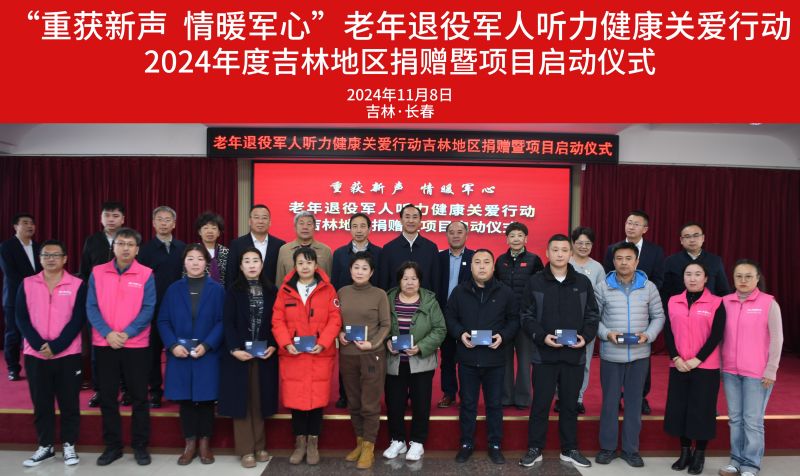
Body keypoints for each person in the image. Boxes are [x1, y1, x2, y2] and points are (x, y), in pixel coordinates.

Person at [519, 235, 599, 469]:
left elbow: (592, 315)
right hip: (544, 355)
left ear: (570, 253)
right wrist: (542, 336)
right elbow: (526, 316)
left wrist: (585, 337)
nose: (560, 254)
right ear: (547, 253)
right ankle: (535, 448)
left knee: (570, 405)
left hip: (574, 355)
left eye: (565, 250)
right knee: (540, 404)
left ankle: (570, 449)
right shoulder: (535, 282)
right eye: (555, 249)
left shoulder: (583, 282)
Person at [86, 228, 156, 466]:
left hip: (135, 344)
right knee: (107, 396)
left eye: (130, 244)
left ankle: (140, 444)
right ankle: (113, 445)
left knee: (139, 397)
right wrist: (108, 333)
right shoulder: (98, 272)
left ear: (137, 249)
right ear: (113, 246)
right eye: (121, 243)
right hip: (104, 343)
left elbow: (148, 308)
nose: (126, 248)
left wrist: (127, 333)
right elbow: (91, 307)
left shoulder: (146, 274)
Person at [444, 249, 520, 465]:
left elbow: (514, 320)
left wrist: (503, 336)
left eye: (487, 262)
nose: (482, 266)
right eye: (477, 262)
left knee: (494, 405)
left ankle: (494, 445)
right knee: (468, 404)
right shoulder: (459, 291)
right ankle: (466, 444)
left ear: (493, 266)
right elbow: (449, 316)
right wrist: (460, 333)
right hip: (467, 358)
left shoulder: (505, 292)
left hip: (495, 360)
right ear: (471, 266)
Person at [594, 242, 665, 467]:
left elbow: (659, 316)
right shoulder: (602, 287)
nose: (623, 262)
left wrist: (648, 335)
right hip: (611, 355)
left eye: (628, 258)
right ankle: (607, 448)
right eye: (619, 258)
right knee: (610, 403)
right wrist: (607, 334)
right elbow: (593, 318)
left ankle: (630, 449)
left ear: (636, 261)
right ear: (613, 261)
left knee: (634, 404)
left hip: (639, 355)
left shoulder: (649, 287)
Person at [16, 240, 86, 467]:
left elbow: (78, 318)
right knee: (41, 402)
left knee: (69, 402)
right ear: (40, 258)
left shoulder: (77, 284)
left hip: (67, 354)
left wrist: (58, 345)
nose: (51, 259)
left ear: (65, 259)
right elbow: (21, 317)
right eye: (46, 255)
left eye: (56, 255)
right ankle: (45, 446)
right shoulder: (27, 283)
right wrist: (38, 344)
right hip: (36, 354)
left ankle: (69, 444)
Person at [156, 244, 226, 465]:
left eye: (200, 259)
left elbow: (223, 321)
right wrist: (172, 345)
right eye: (190, 259)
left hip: (207, 354)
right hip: (181, 354)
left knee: (206, 401)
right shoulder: (173, 289)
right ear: (184, 262)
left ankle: (204, 444)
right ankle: (189, 444)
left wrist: (208, 344)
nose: (195, 263)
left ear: (207, 263)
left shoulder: (218, 290)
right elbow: (163, 320)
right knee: (185, 401)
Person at [272, 248, 342, 466]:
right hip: (293, 354)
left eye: (309, 262)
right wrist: (286, 343)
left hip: (319, 353)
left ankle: (313, 444)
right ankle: (299, 443)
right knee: (296, 400)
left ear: (316, 265)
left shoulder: (328, 289)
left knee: (317, 399)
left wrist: (323, 343)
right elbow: (277, 320)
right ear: (295, 265)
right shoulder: (285, 290)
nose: (305, 266)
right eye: (301, 262)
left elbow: (335, 320)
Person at [719, 260, 783, 476]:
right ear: (733, 279)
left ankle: (751, 465)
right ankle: (735, 461)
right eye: (739, 276)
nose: (743, 280)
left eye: (748, 276)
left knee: (753, 421)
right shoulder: (725, 302)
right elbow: (719, 337)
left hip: (757, 373)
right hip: (730, 371)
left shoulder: (768, 303)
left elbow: (777, 338)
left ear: (757, 278)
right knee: (735, 419)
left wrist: (771, 369)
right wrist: (720, 365)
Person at [217, 248, 279, 469]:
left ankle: (260, 446)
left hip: (264, 354)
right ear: (241, 266)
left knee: (259, 400)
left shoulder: (272, 290)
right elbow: (228, 322)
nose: (252, 265)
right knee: (241, 400)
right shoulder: (233, 290)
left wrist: (273, 344)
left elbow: (278, 321)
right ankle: (246, 449)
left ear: (262, 265)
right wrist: (234, 349)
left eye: (256, 261)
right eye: (247, 261)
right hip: (240, 355)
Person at [663, 259, 726, 475]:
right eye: (688, 274)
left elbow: (716, 334)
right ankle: (685, 453)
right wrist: (676, 357)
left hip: (705, 367)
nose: (692, 278)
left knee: (702, 411)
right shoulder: (673, 301)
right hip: (679, 365)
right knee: (680, 409)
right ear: (683, 278)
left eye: (698, 274)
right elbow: (668, 331)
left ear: (706, 278)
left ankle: (699, 455)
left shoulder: (716, 302)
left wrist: (698, 359)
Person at [383, 261, 447, 461]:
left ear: (420, 281)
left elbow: (440, 329)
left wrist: (420, 347)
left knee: (421, 404)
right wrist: (387, 340)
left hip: (421, 361)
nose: (409, 282)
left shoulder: (430, 301)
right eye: (405, 278)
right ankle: (397, 440)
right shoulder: (387, 299)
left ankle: (418, 442)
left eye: (414, 278)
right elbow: (380, 325)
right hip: (395, 362)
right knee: (394, 403)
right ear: (399, 280)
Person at [603, 210, 665, 416]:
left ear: (645, 228)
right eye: (629, 222)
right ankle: (616, 398)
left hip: (642, 307)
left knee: (641, 358)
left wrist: (642, 296)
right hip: (616, 306)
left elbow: (659, 278)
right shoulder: (613, 249)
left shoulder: (655, 250)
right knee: (614, 364)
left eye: (636, 223)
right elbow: (607, 277)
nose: (631, 226)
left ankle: (641, 397)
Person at [337, 251, 390, 470]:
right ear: (350, 270)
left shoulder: (379, 294)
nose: (360, 272)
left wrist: (373, 344)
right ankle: (360, 442)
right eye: (356, 267)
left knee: (369, 403)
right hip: (347, 355)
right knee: (354, 402)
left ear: (372, 272)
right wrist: (339, 333)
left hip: (371, 355)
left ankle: (369, 446)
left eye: (365, 268)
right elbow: (335, 320)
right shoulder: (341, 292)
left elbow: (386, 324)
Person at [137, 206, 187, 409]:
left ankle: (176, 390)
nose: (164, 223)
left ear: (174, 223)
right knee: (153, 352)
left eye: (168, 219)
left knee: (178, 350)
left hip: (180, 309)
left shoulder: (183, 248)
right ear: (153, 223)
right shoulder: (144, 250)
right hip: (154, 309)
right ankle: (156, 391)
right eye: (160, 219)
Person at [330, 213, 382, 409]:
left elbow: (382, 281)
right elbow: (334, 284)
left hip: (370, 310)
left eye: (363, 226)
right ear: (350, 228)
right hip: (347, 310)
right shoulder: (339, 253)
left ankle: (369, 396)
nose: (359, 230)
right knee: (347, 354)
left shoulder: (379, 253)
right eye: (354, 226)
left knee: (369, 354)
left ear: (369, 228)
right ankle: (345, 394)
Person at [77, 201, 126, 407]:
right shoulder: (92, 241)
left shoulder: (129, 239)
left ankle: (127, 389)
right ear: (101, 218)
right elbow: (84, 272)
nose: (111, 219)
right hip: (98, 304)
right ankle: (100, 390)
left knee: (125, 348)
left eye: (115, 216)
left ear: (123, 219)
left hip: (125, 304)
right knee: (98, 350)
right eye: (107, 215)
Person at [494, 222, 544, 411]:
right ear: (507, 239)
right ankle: (506, 397)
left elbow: (539, 288)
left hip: (526, 318)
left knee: (524, 360)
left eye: (520, 235)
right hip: (505, 319)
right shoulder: (500, 260)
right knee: (504, 360)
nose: (516, 239)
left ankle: (523, 398)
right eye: (512, 235)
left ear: (526, 238)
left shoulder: (534, 260)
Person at [557, 226, 606, 414]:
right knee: (560, 360)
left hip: (585, 325)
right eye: (579, 243)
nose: (583, 247)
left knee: (583, 362)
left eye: (588, 243)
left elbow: (600, 298)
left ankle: (578, 398)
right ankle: (560, 398)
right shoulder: (563, 262)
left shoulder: (597, 268)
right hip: (562, 323)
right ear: (573, 243)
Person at [0, 213, 42, 381]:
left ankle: (34, 366)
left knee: (34, 333)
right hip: (14, 297)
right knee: (13, 334)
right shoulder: (6, 246)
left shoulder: (39, 247)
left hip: (37, 297)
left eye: (32, 223)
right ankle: (13, 368)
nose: (30, 226)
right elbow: (10, 272)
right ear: (15, 227)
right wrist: (29, 288)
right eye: (25, 223)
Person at [436, 221, 474, 408]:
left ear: (466, 234)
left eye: (460, 232)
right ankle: (449, 393)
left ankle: (466, 395)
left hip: (469, 315)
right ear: (446, 235)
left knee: (468, 358)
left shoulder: (474, 257)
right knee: (447, 357)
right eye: (452, 232)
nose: (456, 235)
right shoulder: (439, 258)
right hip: (444, 314)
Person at [378, 205, 440, 295]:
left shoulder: (431, 247)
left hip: (425, 301)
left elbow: (436, 280)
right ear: (401, 221)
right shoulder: (389, 248)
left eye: (415, 217)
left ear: (420, 221)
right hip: (395, 301)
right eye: (407, 217)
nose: (411, 220)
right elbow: (384, 281)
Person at [662, 222, 730, 304]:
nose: (692, 240)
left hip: (710, 308)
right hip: (680, 308)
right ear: (681, 240)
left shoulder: (715, 260)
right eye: (687, 236)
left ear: (703, 238)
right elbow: (664, 292)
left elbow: (723, 291)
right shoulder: (671, 261)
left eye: (696, 236)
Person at [227, 204, 286, 286]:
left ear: (270, 222)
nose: (260, 221)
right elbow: (231, 273)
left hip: (271, 292)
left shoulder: (280, 245)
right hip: (243, 291)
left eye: (264, 218)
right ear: (249, 221)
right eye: (256, 217)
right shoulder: (237, 244)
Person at [276, 212, 333, 286]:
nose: (305, 227)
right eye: (301, 223)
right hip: (291, 292)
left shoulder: (325, 250)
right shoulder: (284, 250)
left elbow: (330, 279)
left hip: (319, 292)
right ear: (295, 227)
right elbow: (280, 280)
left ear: (315, 227)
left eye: (309, 224)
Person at [184, 212, 229, 288]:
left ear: (218, 232)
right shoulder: (193, 251)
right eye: (206, 228)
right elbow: (185, 274)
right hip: (197, 291)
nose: (210, 231)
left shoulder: (226, 252)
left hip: (222, 292)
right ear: (199, 232)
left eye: (214, 228)